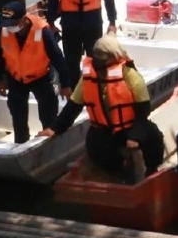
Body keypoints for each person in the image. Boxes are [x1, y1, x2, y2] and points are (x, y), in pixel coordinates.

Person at [41, 36, 164, 182]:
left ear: (114, 56)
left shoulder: (130, 75)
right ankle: (119, 172)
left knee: (154, 138)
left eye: (103, 55)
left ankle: (151, 170)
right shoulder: (87, 78)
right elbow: (73, 106)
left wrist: (135, 136)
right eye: (97, 54)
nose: (99, 59)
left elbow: (143, 110)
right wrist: (55, 128)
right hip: (102, 129)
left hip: (131, 126)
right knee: (96, 149)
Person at [0, 1, 69, 144]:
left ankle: (50, 145)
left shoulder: (42, 31)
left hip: (41, 78)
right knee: (18, 118)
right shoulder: (1, 30)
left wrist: (65, 84)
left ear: (23, 19)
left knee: (48, 117)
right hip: (16, 79)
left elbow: (58, 59)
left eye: (13, 23)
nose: (9, 27)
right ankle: (21, 145)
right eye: (6, 23)